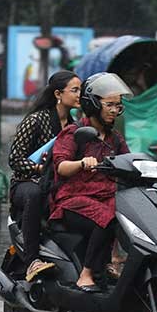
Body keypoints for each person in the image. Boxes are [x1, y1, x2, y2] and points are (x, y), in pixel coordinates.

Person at [50, 72, 132, 292]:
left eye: (118, 106)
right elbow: (60, 166)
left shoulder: (115, 138)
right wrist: (81, 163)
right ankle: (86, 275)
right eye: (110, 105)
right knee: (107, 217)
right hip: (73, 200)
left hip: (107, 198)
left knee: (129, 216)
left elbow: (130, 162)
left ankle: (111, 266)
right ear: (94, 104)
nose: (115, 110)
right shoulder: (74, 132)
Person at [7, 70, 82, 282]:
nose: (79, 95)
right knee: (35, 193)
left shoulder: (76, 126)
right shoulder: (36, 120)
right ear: (58, 93)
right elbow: (15, 159)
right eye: (74, 90)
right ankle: (32, 260)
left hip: (57, 185)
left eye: (81, 90)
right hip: (26, 184)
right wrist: (42, 169)